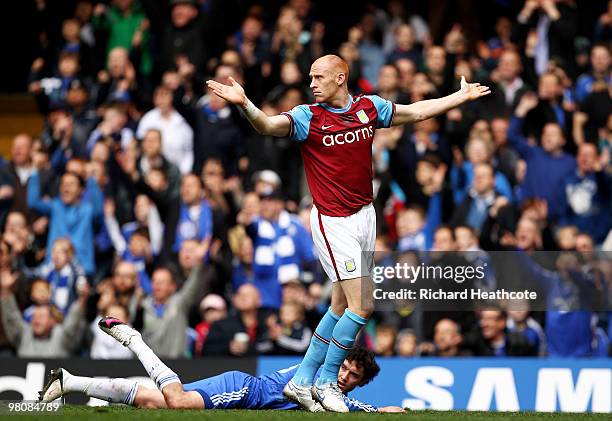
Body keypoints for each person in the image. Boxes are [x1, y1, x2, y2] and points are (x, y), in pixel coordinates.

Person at [206, 54, 489, 412]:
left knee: (340, 305)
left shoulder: (369, 108)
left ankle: (301, 381)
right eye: (310, 77)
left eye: (318, 77)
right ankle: (326, 383)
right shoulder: (308, 117)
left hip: (364, 216)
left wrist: (458, 97)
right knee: (363, 305)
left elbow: (415, 112)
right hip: (332, 221)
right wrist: (245, 103)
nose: (311, 84)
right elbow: (266, 126)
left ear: (340, 78)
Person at [40, 318, 403, 413]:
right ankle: (134, 340)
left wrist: (392, 412)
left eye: (353, 376)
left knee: (156, 403)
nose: (345, 376)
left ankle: (71, 382)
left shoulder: (338, 396)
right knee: (178, 401)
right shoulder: (317, 371)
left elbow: (361, 410)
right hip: (246, 389)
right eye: (345, 367)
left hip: (247, 397)